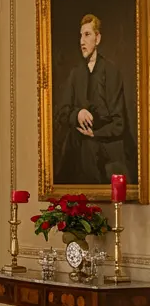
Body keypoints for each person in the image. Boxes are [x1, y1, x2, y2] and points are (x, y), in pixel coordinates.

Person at [55, 12, 136, 185]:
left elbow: (119, 123)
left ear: (97, 39)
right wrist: (77, 114)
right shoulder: (75, 74)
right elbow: (61, 112)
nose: (82, 41)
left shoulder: (112, 72)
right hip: (78, 155)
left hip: (106, 153)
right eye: (80, 36)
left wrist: (95, 133)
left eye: (87, 35)